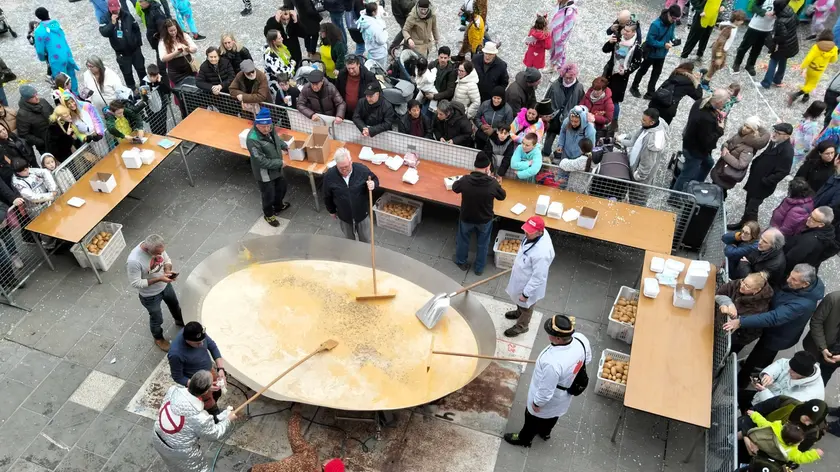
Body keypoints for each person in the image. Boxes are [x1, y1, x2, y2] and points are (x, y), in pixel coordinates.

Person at [724, 263, 825, 387]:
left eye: (794, 279)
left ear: (805, 284)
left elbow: (774, 317)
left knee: (756, 359)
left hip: (778, 336)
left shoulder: (802, 304)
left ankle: (740, 384)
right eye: (790, 276)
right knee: (762, 357)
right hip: (773, 327)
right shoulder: (802, 286)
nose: (788, 280)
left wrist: (741, 321)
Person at [503, 314, 591, 446]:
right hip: (564, 393)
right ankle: (545, 433)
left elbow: (546, 390)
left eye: (550, 333)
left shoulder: (552, 363)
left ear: (558, 338)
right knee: (553, 416)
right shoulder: (581, 340)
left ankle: (524, 439)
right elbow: (587, 360)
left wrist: (537, 403)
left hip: (551, 396)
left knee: (532, 418)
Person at [152, 371, 238, 471]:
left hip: (157, 437)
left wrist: (205, 388)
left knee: (173, 466)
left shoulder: (173, 390)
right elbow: (214, 434)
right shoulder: (200, 417)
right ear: (205, 392)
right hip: (181, 452)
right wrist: (228, 420)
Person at [728, 123, 795, 228]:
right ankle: (743, 224)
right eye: (774, 131)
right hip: (755, 179)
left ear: (786, 136)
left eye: (778, 133)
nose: (774, 134)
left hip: (763, 186)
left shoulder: (787, 151)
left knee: (752, 209)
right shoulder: (774, 142)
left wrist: (767, 180)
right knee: (748, 204)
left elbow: (783, 172)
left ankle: (752, 231)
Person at [451, 152, 506, 275]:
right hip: (484, 219)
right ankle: (479, 268)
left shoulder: (465, 180)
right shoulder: (492, 184)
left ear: (475, 167)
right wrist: (493, 180)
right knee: (483, 243)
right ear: (488, 168)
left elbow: (455, 187)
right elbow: (502, 196)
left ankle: (461, 261)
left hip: (466, 217)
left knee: (463, 240)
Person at [127, 234, 184, 351]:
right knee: (157, 318)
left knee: (174, 305)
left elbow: (167, 260)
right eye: (157, 253)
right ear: (147, 249)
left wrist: (167, 271)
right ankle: (158, 338)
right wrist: (159, 279)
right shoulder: (134, 261)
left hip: (165, 286)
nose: (160, 254)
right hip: (150, 296)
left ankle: (180, 321)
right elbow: (135, 283)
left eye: (161, 252)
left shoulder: (158, 248)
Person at [502, 216, 555, 338]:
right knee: (519, 301)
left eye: (529, 232)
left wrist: (526, 294)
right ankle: (518, 312)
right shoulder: (536, 235)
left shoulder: (542, 254)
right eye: (526, 230)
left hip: (528, 284)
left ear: (539, 233)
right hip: (521, 276)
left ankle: (522, 326)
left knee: (527, 306)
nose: (525, 233)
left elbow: (538, 278)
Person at [738, 397, 828, 461]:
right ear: (804, 409)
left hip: (764, 454)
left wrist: (759, 453)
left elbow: (792, 456)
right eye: (806, 418)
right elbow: (754, 412)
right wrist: (746, 435)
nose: (807, 423)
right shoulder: (786, 402)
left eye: (811, 422)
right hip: (752, 432)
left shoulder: (812, 434)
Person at [247, 414, 346, 472]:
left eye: (331, 459)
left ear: (325, 465)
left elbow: (293, 434)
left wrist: (296, 413)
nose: (329, 458)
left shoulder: (310, 456)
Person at [168, 321, 227, 416]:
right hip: (197, 382)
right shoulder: (175, 354)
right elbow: (178, 377)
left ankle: (213, 403)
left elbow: (212, 346)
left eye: (203, 341)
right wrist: (202, 387)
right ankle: (213, 415)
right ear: (187, 340)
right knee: (208, 401)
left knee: (217, 391)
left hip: (208, 371)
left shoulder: (198, 332)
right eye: (198, 343)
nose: (202, 344)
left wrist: (221, 369)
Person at [322, 148, 378, 243]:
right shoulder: (330, 176)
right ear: (336, 165)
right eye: (341, 168)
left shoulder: (361, 170)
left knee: (366, 240)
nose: (344, 170)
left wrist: (373, 184)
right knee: (349, 242)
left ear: (351, 161)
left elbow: (374, 179)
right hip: (344, 216)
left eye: (346, 166)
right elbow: (327, 195)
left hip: (362, 215)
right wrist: (331, 210)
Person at [247, 108, 290, 227]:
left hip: (277, 167)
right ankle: (269, 215)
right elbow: (260, 161)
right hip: (264, 173)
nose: (266, 129)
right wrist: (279, 163)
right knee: (268, 195)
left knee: (281, 187)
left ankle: (278, 205)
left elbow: (276, 139)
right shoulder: (252, 139)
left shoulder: (270, 128)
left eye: (268, 126)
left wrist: (284, 146)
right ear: (257, 124)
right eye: (263, 127)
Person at [710, 116, 770, 197]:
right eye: (744, 125)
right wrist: (724, 147)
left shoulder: (749, 148)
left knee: (720, 193)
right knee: (713, 189)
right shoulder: (740, 135)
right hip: (721, 168)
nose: (744, 128)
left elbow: (741, 164)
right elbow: (727, 142)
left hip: (727, 174)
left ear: (753, 131)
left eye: (748, 128)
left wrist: (725, 155)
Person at [716, 273, 774, 356]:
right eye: (743, 282)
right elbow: (719, 292)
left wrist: (729, 311)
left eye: (747, 286)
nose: (742, 286)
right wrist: (729, 304)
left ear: (757, 290)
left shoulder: (759, 306)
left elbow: (739, 322)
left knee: (724, 352)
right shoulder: (740, 283)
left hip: (741, 335)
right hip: (725, 327)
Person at [629, 5, 680, 100]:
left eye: (676, 19)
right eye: (673, 18)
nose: (674, 20)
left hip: (662, 54)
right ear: (669, 14)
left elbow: (671, 34)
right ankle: (634, 87)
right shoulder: (656, 25)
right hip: (651, 54)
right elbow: (650, 40)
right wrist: (663, 44)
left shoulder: (672, 23)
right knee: (643, 70)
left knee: (656, 74)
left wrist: (674, 39)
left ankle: (650, 92)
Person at [744, 350, 825, 408]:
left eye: (793, 371)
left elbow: (781, 406)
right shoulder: (801, 364)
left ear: (803, 375)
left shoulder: (809, 394)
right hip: (763, 397)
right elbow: (782, 364)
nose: (789, 371)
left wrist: (763, 391)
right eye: (790, 368)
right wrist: (768, 374)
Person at [743, 409, 824, 465]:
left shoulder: (773, 428)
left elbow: (762, 421)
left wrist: (754, 414)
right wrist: (815, 454)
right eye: (798, 442)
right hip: (763, 455)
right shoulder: (790, 452)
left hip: (756, 441)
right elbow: (801, 458)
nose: (799, 444)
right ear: (791, 443)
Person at [99, 0, 146, 90]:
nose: (115, 12)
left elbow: (136, 28)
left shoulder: (127, 15)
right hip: (122, 53)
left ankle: (145, 86)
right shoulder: (105, 18)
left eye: (116, 9)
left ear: (119, 7)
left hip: (135, 50)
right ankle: (132, 90)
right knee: (127, 73)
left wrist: (138, 43)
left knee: (141, 69)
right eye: (113, 10)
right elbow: (104, 33)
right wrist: (112, 24)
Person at [602, 21, 642, 124]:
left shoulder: (636, 47)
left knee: (614, 100)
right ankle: (602, 116)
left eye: (628, 31)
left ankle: (614, 122)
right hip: (609, 72)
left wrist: (626, 71)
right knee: (603, 94)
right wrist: (609, 43)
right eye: (624, 29)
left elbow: (637, 63)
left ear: (634, 32)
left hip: (620, 77)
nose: (625, 32)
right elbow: (605, 50)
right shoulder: (618, 39)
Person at [33, 8, 80, 94]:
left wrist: (42, 58)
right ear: (48, 13)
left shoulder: (39, 31)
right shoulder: (56, 24)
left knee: (62, 82)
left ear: (38, 17)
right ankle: (77, 95)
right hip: (67, 54)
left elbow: (40, 51)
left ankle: (68, 99)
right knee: (71, 78)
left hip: (56, 58)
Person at [620, 107, 667, 192]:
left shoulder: (651, 140)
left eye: (644, 120)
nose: (641, 121)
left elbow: (648, 161)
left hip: (640, 178)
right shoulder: (650, 125)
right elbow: (636, 135)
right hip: (636, 167)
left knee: (637, 194)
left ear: (652, 122)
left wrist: (638, 175)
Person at [783, 206, 838, 273]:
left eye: (813, 219)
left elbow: (791, 259)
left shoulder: (809, 241)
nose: (808, 218)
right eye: (810, 215)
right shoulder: (826, 231)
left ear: (821, 225)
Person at [544, 64, 584, 155]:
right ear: (562, 75)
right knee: (550, 136)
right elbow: (547, 100)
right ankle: (545, 153)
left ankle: (560, 155)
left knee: (566, 139)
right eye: (566, 78)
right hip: (554, 116)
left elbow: (581, 104)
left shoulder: (579, 87)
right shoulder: (555, 85)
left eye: (571, 78)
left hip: (569, 118)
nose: (568, 80)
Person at [759, 0, 799, 90]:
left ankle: (766, 83)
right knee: (783, 60)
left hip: (783, 45)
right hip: (792, 43)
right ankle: (777, 80)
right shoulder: (790, 10)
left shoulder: (781, 21)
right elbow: (797, 21)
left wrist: (773, 40)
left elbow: (782, 36)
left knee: (773, 60)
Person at [789, 32, 837, 106]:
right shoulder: (834, 49)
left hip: (811, 68)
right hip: (819, 71)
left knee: (808, 82)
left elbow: (808, 58)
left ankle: (806, 96)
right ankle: (796, 95)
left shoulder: (816, 47)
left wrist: (802, 67)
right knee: (811, 85)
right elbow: (833, 60)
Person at [803, 290, 840, 386]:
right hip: (815, 346)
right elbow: (816, 321)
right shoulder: (833, 298)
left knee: (821, 381)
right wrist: (822, 347)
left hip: (836, 357)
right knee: (801, 372)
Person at [732, 0, 776, 76]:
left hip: (767, 28)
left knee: (757, 49)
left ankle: (750, 65)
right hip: (755, 26)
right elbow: (753, 7)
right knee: (744, 46)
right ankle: (737, 63)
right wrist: (764, 13)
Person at [702, 11, 747, 87]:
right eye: (741, 20)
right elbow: (720, 43)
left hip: (723, 49)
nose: (742, 22)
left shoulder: (733, 26)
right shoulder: (728, 29)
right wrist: (719, 57)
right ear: (736, 20)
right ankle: (705, 82)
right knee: (715, 65)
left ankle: (706, 73)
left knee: (719, 65)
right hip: (719, 49)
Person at [158, 19, 199, 87]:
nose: (173, 32)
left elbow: (195, 48)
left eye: (175, 30)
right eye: (171, 31)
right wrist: (175, 53)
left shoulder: (184, 35)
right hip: (175, 72)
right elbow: (163, 58)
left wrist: (188, 49)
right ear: (166, 31)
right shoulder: (163, 41)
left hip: (189, 67)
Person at [16, 86, 53, 154]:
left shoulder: (43, 101)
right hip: (45, 146)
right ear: (26, 99)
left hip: (57, 138)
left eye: (36, 94)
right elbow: (24, 134)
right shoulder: (22, 115)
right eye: (33, 97)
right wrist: (41, 142)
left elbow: (53, 113)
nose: (37, 97)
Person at [791, 102, 828, 168]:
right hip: (800, 147)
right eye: (823, 110)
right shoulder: (812, 125)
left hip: (796, 140)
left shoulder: (806, 117)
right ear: (818, 112)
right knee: (793, 161)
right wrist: (810, 148)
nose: (825, 111)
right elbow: (808, 141)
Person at [547, 0, 579, 71]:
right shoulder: (560, 4)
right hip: (554, 32)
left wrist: (562, 38)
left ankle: (557, 68)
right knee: (553, 49)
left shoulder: (570, 9)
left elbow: (569, 25)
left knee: (559, 52)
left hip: (560, 36)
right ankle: (554, 65)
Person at [264, 29, 296, 98]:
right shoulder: (270, 55)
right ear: (274, 41)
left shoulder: (280, 47)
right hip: (277, 83)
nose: (282, 39)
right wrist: (292, 65)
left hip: (286, 78)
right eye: (279, 38)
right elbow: (281, 72)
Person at [141, 63, 171, 135]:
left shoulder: (160, 79)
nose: (152, 78)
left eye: (154, 76)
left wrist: (160, 82)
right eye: (150, 76)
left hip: (162, 105)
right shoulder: (144, 82)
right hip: (150, 108)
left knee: (163, 122)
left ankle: (164, 134)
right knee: (154, 124)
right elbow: (144, 96)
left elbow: (167, 91)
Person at [357, 2, 388, 70]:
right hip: (379, 53)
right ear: (373, 12)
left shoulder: (364, 20)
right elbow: (381, 40)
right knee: (381, 69)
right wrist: (385, 32)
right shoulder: (375, 27)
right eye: (377, 10)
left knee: (373, 67)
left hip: (371, 50)